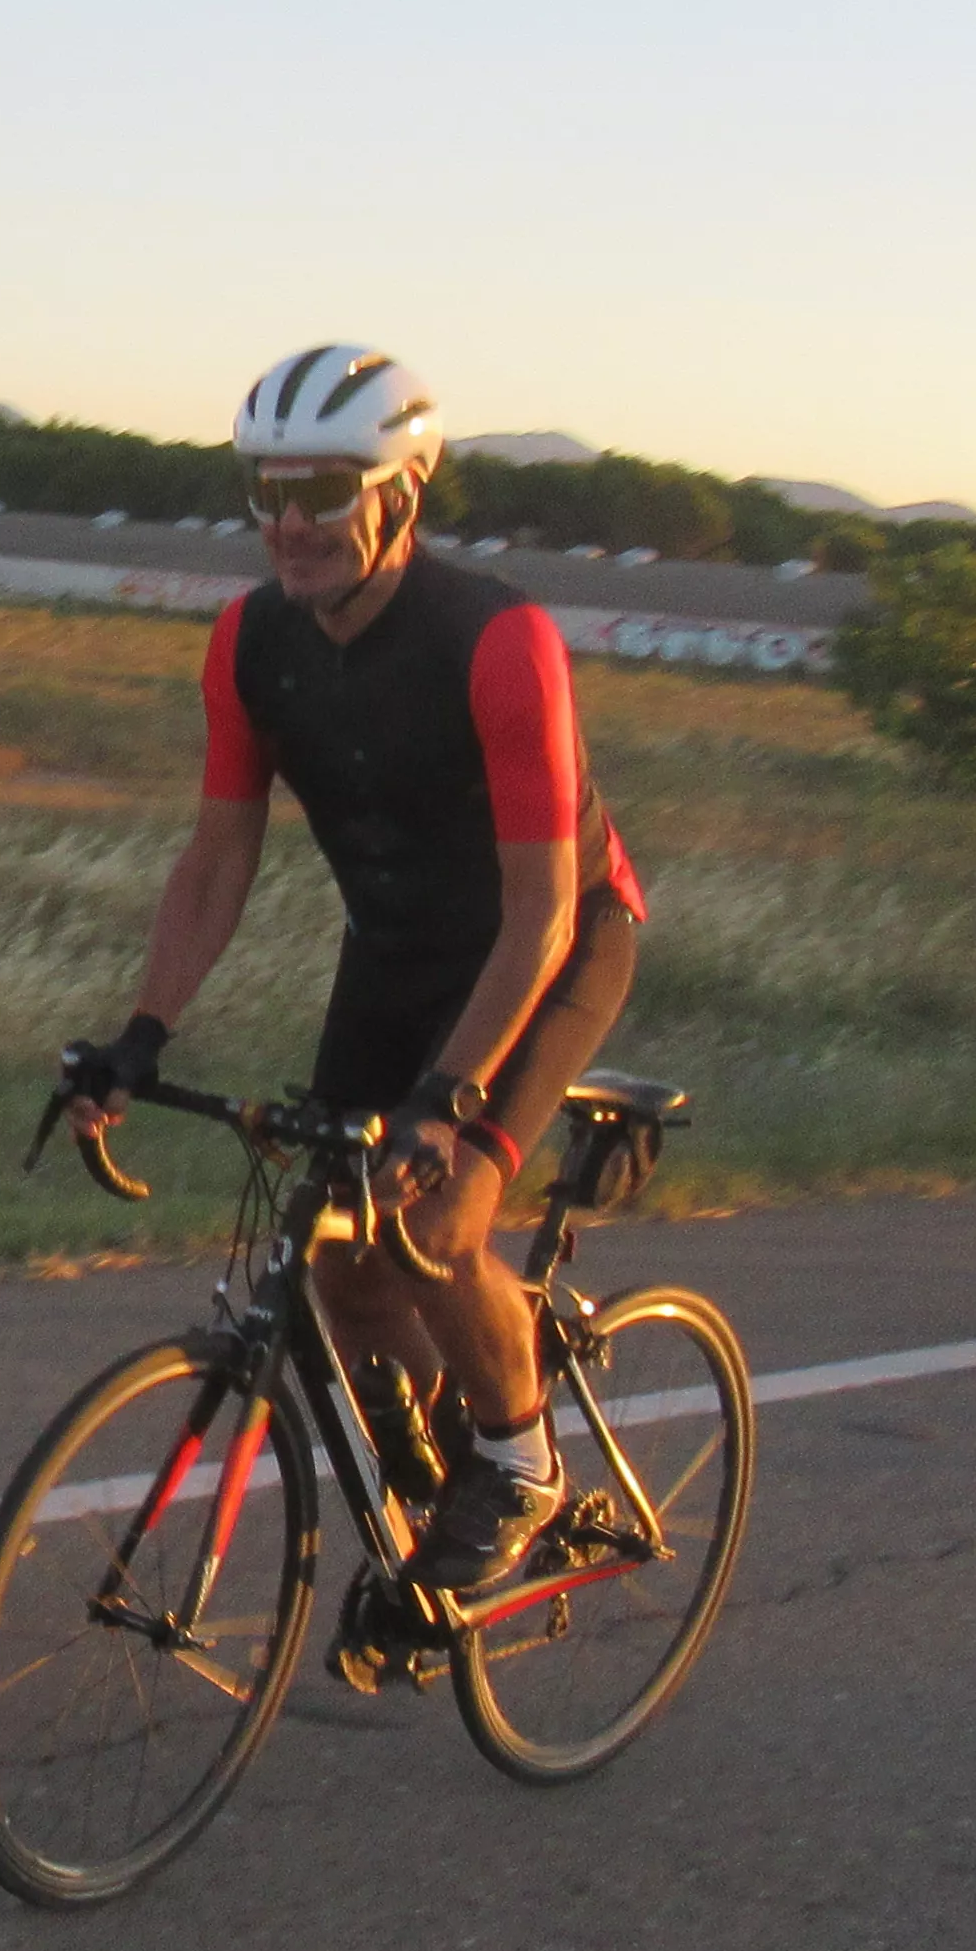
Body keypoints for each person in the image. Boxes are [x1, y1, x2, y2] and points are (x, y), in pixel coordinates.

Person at [73, 343, 642, 1656]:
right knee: (339, 1256)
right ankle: (441, 1478)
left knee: (437, 1218)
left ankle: (522, 1464)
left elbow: (543, 910)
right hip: (396, 950)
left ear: (399, 493)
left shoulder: (497, 640)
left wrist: (448, 1100)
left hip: (549, 945)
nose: (289, 522)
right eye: (265, 489)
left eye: (324, 489)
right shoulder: (251, 640)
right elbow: (217, 861)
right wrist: (138, 1039)